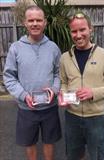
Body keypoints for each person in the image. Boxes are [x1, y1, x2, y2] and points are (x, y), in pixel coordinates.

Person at [59, 9, 104, 160]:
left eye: (82, 29)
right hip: (72, 117)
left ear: (90, 29)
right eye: (74, 31)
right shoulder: (65, 58)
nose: (78, 35)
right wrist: (63, 94)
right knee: (73, 155)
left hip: (96, 118)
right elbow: (63, 81)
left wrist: (93, 93)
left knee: (99, 155)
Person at [3, 5, 62, 160]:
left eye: (38, 20)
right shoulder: (15, 48)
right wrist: (23, 95)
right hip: (26, 108)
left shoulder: (53, 48)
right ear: (25, 23)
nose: (35, 23)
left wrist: (55, 90)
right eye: (31, 20)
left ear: (45, 22)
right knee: (30, 142)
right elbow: (9, 77)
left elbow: (59, 74)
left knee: (50, 141)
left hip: (50, 107)